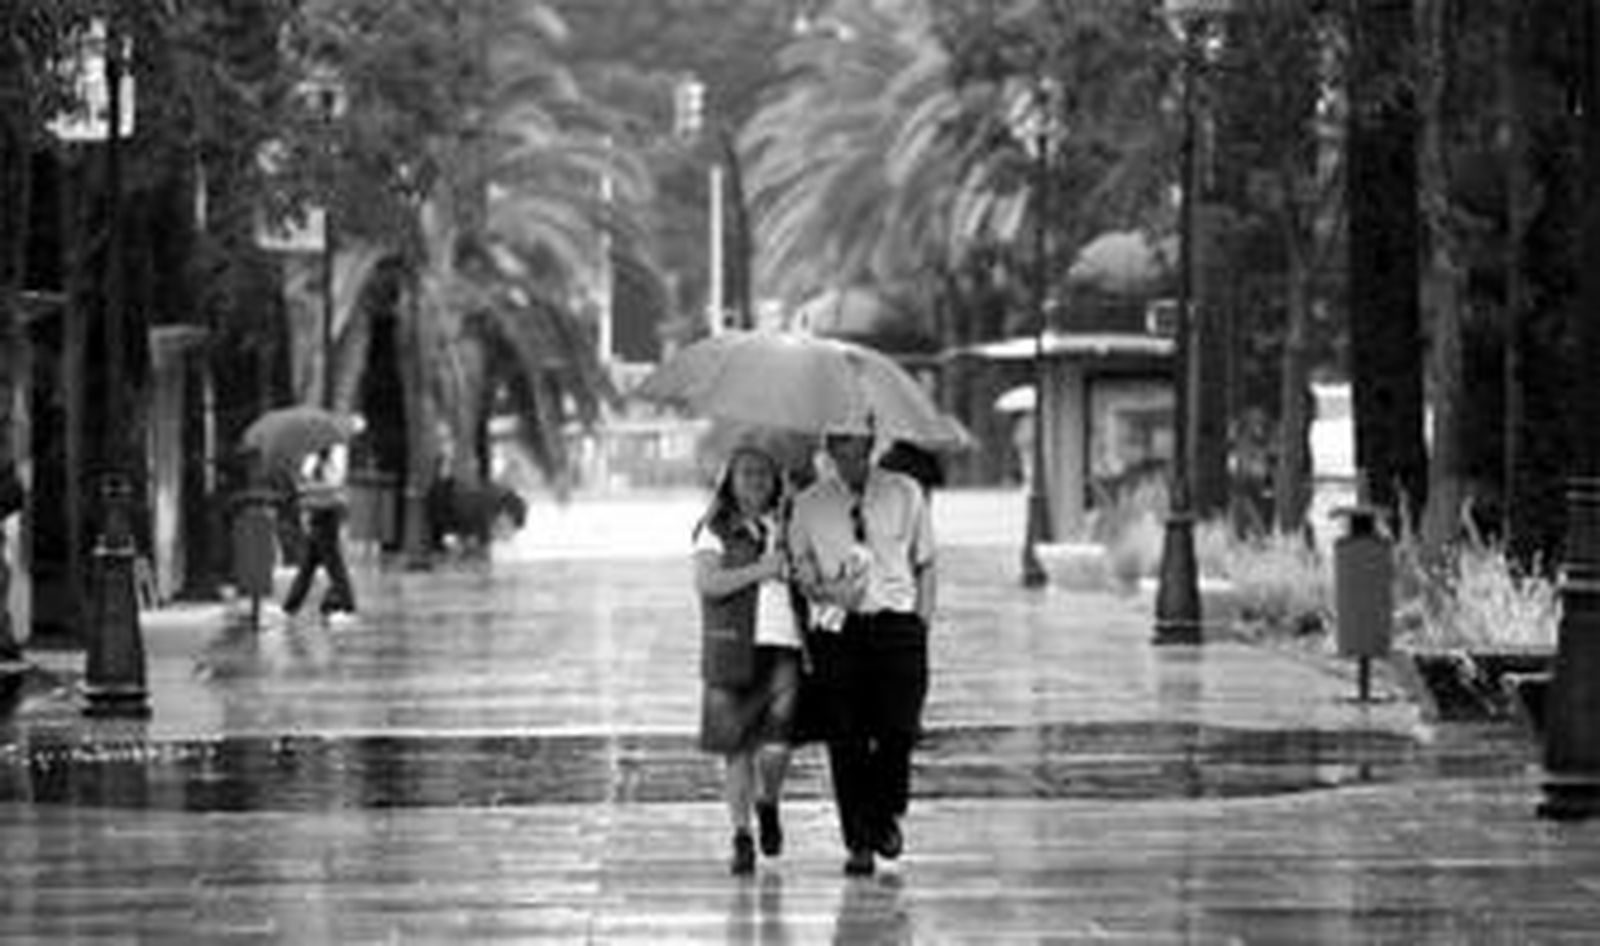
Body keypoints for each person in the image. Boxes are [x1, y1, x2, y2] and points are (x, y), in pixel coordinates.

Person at [788, 418, 936, 877]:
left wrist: (921, 623)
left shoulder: (905, 491)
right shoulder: (809, 504)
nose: (844, 450)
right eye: (836, 442)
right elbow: (801, 571)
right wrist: (827, 592)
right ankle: (859, 842)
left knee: (898, 731)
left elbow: (926, 562)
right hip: (837, 632)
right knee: (846, 738)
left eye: (853, 441)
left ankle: (885, 811)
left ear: (871, 442)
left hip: (897, 627)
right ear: (827, 446)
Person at [692, 444, 804, 876]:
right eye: (746, 473)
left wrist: (796, 567)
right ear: (731, 481)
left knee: (777, 746)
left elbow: (809, 572)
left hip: (785, 646)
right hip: (732, 646)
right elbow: (708, 583)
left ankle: (768, 801)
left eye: (763, 473)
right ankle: (741, 835)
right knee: (737, 750)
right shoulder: (714, 528)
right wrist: (762, 569)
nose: (756, 481)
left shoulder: (788, 523)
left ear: (774, 481)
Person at [282, 444, 357, 620]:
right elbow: (303, 480)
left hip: (328, 514)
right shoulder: (311, 458)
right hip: (315, 512)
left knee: (333, 565)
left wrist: (308, 488)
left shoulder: (335, 458)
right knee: (309, 565)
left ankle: (347, 606)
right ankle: (291, 606)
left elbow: (335, 485)